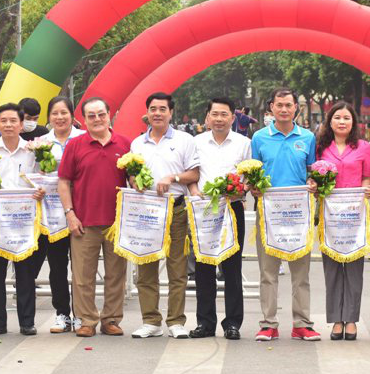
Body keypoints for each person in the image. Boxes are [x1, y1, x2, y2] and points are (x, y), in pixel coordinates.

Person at [57, 97, 131, 338]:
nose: (97, 119)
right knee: (82, 276)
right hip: (83, 221)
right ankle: (86, 320)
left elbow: (135, 181)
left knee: (116, 275)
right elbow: (64, 182)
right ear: (84, 119)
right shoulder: (75, 145)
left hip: (116, 223)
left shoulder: (126, 144)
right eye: (91, 115)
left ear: (111, 115)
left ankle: (111, 319)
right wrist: (70, 214)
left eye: (101, 114)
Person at [251, 87, 320, 342]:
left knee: (300, 274)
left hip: (298, 215)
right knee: (268, 273)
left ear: (295, 108)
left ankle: (302, 323)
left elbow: (313, 171)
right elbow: (252, 174)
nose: (283, 109)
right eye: (278, 105)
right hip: (269, 215)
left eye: (288, 105)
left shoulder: (308, 137)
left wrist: (314, 182)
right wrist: (254, 187)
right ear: (271, 107)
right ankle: (268, 323)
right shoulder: (259, 137)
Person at [130, 92, 200, 339]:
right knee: (145, 267)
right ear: (147, 113)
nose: (157, 113)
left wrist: (172, 178)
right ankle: (150, 321)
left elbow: (194, 174)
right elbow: (131, 173)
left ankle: (176, 321)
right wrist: (134, 181)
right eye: (153, 109)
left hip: (177, 210)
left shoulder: (184, 140)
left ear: (171, 113)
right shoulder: (137, 143)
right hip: (146, 212)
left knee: (177, 269)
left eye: (162, 109)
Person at [187, 98, 251, 340]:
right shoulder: (195, 143)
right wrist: (194, 192)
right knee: (204, 267)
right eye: (215, 114)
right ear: (207, 117)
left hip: (232, 208)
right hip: (204, 209)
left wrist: (241, 189)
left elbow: (249, 176)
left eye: (224, 114)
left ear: (232, 118)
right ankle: (205, 322)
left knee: (233, 268)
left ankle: (232, 323)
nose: (219, 119)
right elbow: (191, 173)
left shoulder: (244, 144)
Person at [0, 103, 45, 336]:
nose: (8, 125)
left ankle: (27, 321)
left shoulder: (32, 151)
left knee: (25, 272)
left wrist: (40, 191)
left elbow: (41, 179)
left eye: (13, 121)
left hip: (24, 220)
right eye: (4, 121)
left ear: (21, 124)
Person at [315, 101, 370, 342]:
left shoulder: (363, 147)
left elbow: (367, 178)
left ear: (354, 122)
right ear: (330, 121)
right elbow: (315, 179)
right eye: (337, 117)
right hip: (329, 217)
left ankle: (351, 320)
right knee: (332, 270)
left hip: (355, 217)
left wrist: (366, 192)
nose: (342, 122)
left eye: (346, 118)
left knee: (354, 270)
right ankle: (336, 320)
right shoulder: (320, 147)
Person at [32, 97, 85, 334]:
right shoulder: (41, 142)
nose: (60, 117)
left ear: (72, 116)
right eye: (55, 113)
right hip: (53, 214)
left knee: (83, 266)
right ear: (49, 117)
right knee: (57, 264)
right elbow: (33, 175)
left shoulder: (84, 139)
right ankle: (62, 313)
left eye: (64, 113)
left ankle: (83, 314)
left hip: (82, 210)